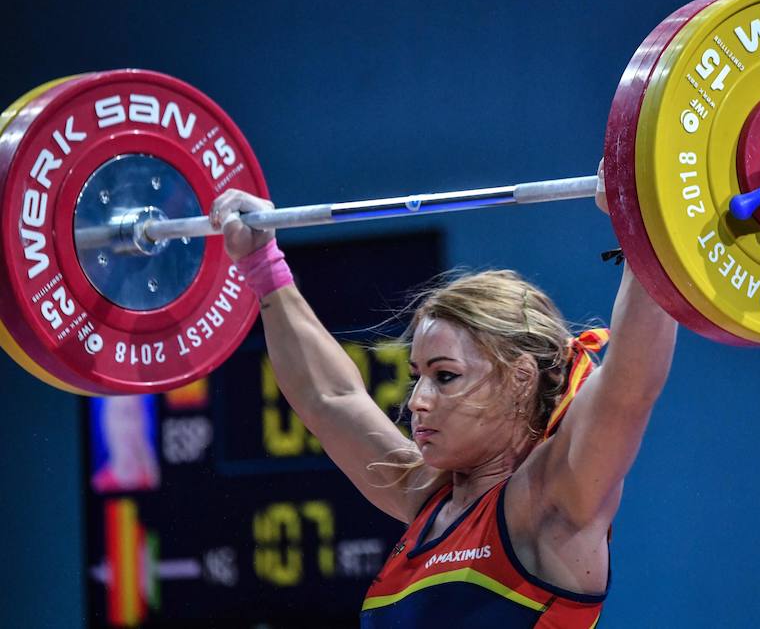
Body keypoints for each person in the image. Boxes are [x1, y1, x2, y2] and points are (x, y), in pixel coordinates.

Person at [209, 162, 677, 626]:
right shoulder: (425, 498)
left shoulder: (549, 501)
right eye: (417, 377)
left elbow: (628, 388)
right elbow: (329, 398)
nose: (417, 401)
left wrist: (643, 222)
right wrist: (261, 263)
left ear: (519, 378)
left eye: (445, 376)